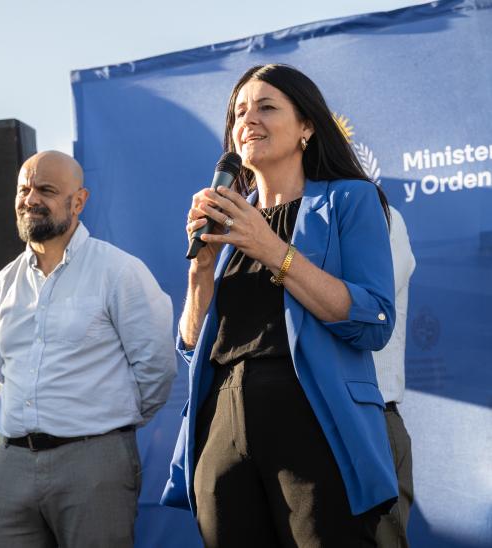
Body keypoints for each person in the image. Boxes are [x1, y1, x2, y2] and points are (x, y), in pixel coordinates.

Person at [160, 64, 398, 546]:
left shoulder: (349, 200)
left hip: (312, 416)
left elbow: (372, 318)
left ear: (306, 126)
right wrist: (201, 269)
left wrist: (270, 248)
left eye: (267, 107)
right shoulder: (228, 223)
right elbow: (191, 345)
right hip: (223, 418)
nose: (249, 119)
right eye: (239, 112)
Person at [0, 150, 177, 548]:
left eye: (46, 190)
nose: (30, 199)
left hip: (95, 463)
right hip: (11, 466)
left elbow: (157, 369)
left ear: (79, 201)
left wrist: (106, 426)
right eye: (24, 189)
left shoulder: (119, 272)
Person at [374, 205, 416, 548]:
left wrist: (282, 260)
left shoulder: (380, 217)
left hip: (370, 418)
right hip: (292, 421)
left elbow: (365, 310)